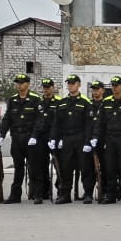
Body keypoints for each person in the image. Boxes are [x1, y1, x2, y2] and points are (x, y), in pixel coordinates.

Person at [0, 73, 43, 204]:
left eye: (22, 83)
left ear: (28, 84)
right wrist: (2, 134)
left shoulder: (35, 99)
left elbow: (39, 120)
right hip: (16, 138)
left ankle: (37, 194)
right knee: (18, 167)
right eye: (18, 83)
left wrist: (34, 136)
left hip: (30, 138)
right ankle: (15, 195)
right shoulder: (12, 100)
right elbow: (7, 119)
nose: (19, 85)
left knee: (34, 167)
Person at [94, 76, 121, 205]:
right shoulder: (106, 102)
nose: (114, 88)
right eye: (113, 85)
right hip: (110, 139)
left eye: (117, 85)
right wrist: (96, 137)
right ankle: (111, 195)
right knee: (109, 168)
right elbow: (100, 123)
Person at [51, 74, 90, 204]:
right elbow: (56, 124)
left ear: (79, 85)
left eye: (73, 83)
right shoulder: (62, 103)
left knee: (85, 167)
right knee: (65, 168)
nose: (70, 86)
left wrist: (87, 141)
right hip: (66, 138)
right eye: (69, 83)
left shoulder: (85, 103)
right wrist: (54, 139)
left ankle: (88, 193)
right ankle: (65, 194)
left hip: (80, 137)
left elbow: (88, 124)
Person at [80, 79, 106, 203]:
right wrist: (87, 141)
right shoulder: (88, 105)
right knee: (87, 168)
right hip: (89, 141)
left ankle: (105, 191)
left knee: (106, 167)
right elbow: (85, 124)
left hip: (103, 140)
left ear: (103, 90)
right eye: (93, 89)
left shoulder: (106, 104)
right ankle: (88, 193)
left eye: (97, 89)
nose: (95, 92)